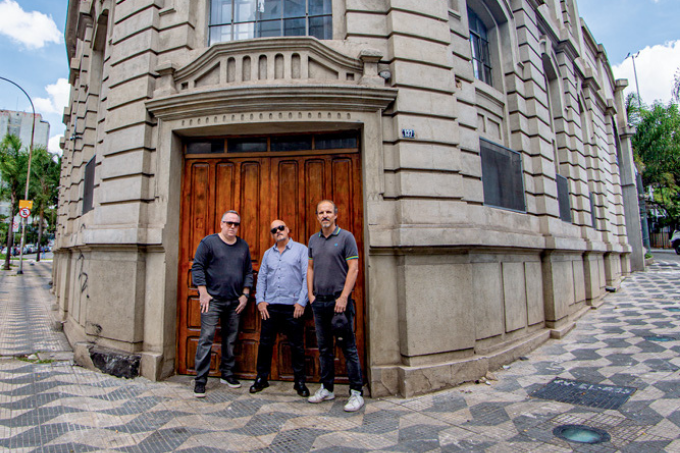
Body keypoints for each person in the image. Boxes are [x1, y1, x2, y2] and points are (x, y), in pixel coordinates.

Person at [306, 200, 364, 412]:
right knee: (324, 348)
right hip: (319, 302)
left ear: (336, 215)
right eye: (321, 212)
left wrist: (343, 297)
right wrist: (311, 294)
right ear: (317, 216)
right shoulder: (314, 239)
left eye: (328, 212)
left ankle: (356, 393)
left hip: (339, 303)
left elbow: (354, 268)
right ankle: (327, 388)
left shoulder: (346, 237)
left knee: (348, 348)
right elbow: (310, 268)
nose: (325, 215)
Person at [191, 210, 253, 398]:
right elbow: (197, 266)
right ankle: (200, 380)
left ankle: (227, 374)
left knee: (231, 339)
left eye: (236, 224)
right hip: (213, 301)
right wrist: (202, 291)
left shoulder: (243, 246)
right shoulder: (208, 242)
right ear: (221, 224)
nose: (232, 226)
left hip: (234, 302)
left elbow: (248, 272)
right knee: (206, 338)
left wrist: (245, 295)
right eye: (229, 223)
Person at [251, 220, 310, 397]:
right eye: (274, 230)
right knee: (265, 344)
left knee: (297, 345)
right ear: (272, 234)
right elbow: (261, 278)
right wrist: (260, 300)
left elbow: (308, 276)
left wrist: (302, 302)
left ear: (288, 229)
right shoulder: (268, 254)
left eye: (281, 228)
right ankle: (262, 378)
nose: (278, 231)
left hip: (293, 307)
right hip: (270, 307)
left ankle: (300, 381)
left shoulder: (301, 250)